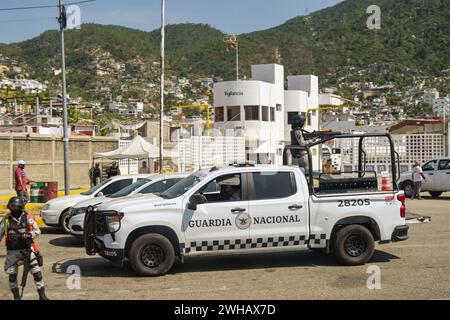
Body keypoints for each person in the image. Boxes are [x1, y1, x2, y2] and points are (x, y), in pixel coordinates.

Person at [0, 197, 49, 300]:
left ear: (21, 206)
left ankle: (42, 296)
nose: (13, 208)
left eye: (16, 206)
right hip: (12, 253)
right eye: (12, 206)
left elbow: (37, 231)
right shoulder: (6, 219)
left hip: (27, 251)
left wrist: (30, 234)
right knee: (12, 276)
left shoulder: (28, 217)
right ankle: (17, 297)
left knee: (37, 273)